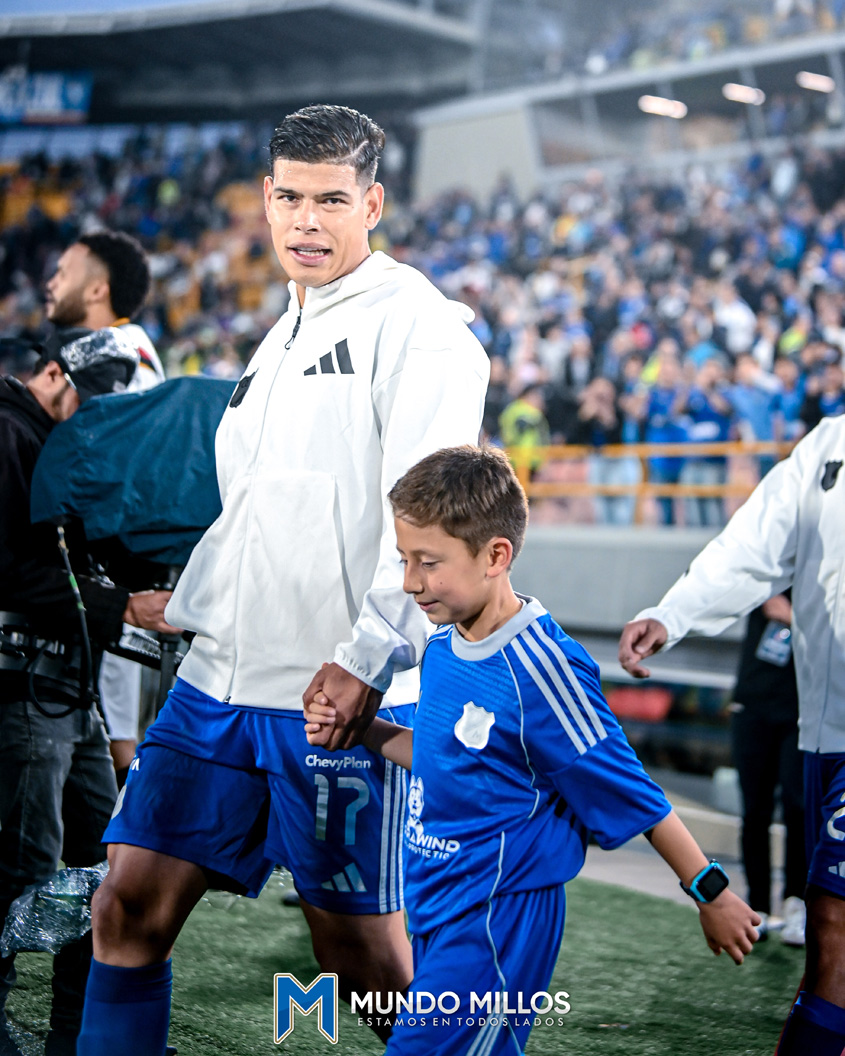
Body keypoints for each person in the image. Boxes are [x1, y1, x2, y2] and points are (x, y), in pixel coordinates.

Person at [78, 105, 490, 1056]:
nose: (307, 220)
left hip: (329, 693)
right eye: (291, 198)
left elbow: (431, 522)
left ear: (372, 205)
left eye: (332, 201)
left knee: (361, 962)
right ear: (265, 200)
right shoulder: (281, 332)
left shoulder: (420, 328)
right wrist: (193, 602)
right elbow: (266, 508)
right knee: (125, 909)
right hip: (215, 683)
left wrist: (367, 660)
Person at [305, 445, 760, 1056]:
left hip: (498, 917)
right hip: (437, 905)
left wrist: (711, 892)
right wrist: (362, 728)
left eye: (428, 563)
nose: (410, 582)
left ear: (496, 556)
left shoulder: (543, 670)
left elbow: (635, 793)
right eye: (405, 559)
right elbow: (447, 760)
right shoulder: (442, 644)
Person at [617, 414, 845, 1055]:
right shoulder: (828, 444)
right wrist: (673, 613)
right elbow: (752, 546)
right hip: (823, 735)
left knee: (834, 919)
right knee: (828, 926)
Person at [0, 328, 176, 1056]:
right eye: (92, 404)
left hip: (69, 693)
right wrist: (124, 604)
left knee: (107, 866)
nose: (99, 421)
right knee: (21, 870)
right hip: (24, 687)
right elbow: (10, 573)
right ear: (52, 375)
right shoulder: (9, 434)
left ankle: (75, 1036)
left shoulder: (61, 447)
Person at [45, 229, 166, 787]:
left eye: (63, 272)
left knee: (109, 740)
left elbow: (93, 468)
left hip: (109, 578)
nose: (50, 283)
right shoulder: (129, 348)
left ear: (97, 289)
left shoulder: (108, 352)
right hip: (122, 574)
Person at [729, 594, 805, 945]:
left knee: (798, 807)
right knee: (754, 810)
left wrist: (794, 619)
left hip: (801, 709)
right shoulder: (762, 578)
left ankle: (796, 902)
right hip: (753, 705)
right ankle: (756, 905)